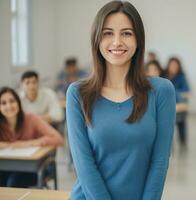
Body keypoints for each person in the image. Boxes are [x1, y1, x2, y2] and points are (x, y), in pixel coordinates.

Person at [66, 1, 176, 200]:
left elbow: (160, 161)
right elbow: (83, 164)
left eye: (126, 33)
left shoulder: (162, 91)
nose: (117, 42)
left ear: (138, 39)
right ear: (97, 39)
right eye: (108, 33)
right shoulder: (77, 93)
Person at [0, 87, 64, 187]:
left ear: (18, 103)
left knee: (12, 183)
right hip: (6, 168)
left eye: (12, 101)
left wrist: (25, 144)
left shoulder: (31, 118)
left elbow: (58, 139)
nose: (8, 106)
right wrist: (7, 145)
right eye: (3, 103)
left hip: (32, 169)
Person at [164, 57, 190, 150]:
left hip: (178, 103)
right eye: (172, 65)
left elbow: (187, 91)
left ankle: (183, 142)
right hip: (165, 103)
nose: (173, 67)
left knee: (180, 118)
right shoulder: (163, 75)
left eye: (175, 65)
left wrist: (174, 92)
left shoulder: (181, 76)